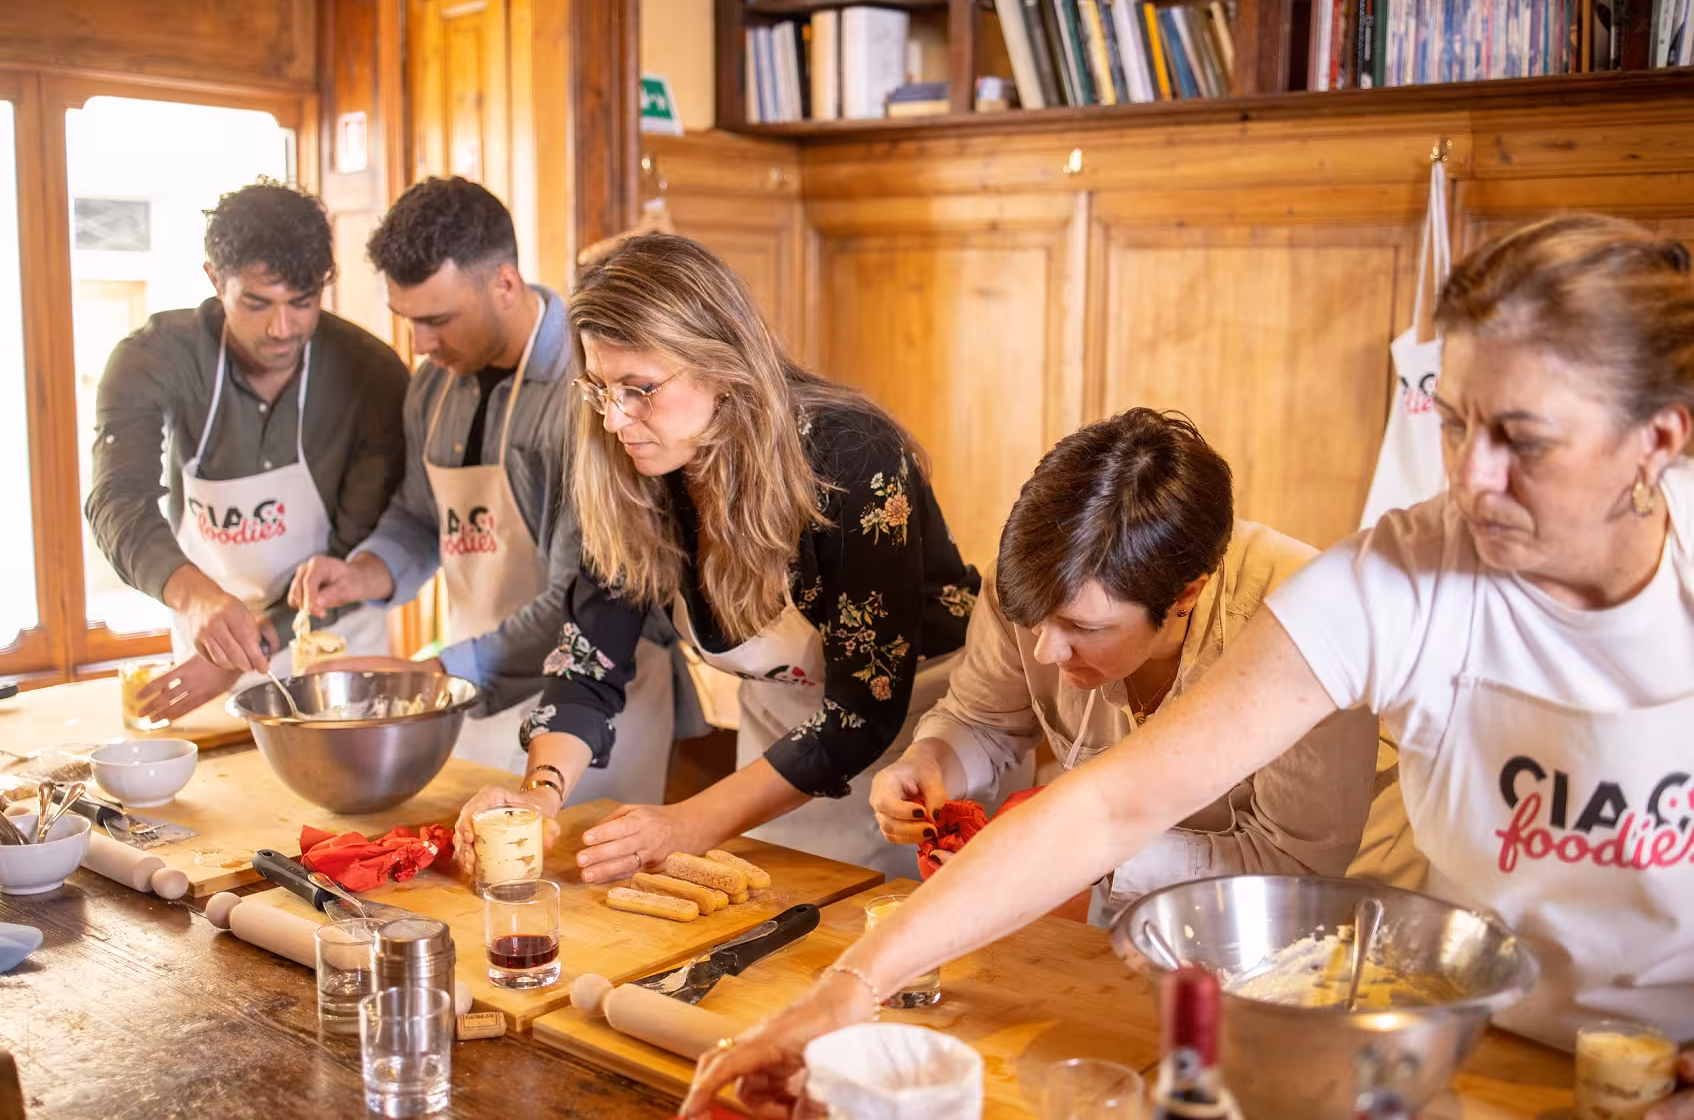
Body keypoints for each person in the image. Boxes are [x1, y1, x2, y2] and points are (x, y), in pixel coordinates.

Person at [684, 212, 1694, 1118]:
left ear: (1658, 437)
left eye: (1520, 439)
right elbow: (1103, 807)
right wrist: (851, 985)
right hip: (1465, 1037)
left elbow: (1285, 857)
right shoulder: (1396, 577)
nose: (1471, 478)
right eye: (1458, 423)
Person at [453, 233, 982, 882]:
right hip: (780, 751)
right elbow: (590, 660)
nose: (616, 420)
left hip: (923, 741)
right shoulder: (641, 471)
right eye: (600, 389)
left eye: (640, 388)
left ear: (720, 365)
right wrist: (539, 796)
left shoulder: (850, 459)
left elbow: (860, 714)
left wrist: (689, 821)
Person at [871, 409, 1383, 923]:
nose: (1047, 652)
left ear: (1186, 595)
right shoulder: (1027, 591)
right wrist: (930, 765)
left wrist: (1089, 840)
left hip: (1314, 924)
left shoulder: (1309, 629)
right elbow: (982, 719)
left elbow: (1291, 869)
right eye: (1034, 622)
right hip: (1130, 901)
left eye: (1084, 629)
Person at [290, 177, 676, 786]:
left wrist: (427, 672)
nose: (420, 344)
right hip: (470, 685)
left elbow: (583, 598)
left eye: (438, 320)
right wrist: (366, 570)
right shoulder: (434, 385)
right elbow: (420, 515)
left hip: (593, 701)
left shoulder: (592, 394)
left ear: (504, 284)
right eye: (408, 320)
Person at [85, 180, 409, 722]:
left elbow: (361, 553)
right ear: (215, 280)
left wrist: (259, 643)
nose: (282, 328)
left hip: (334, 651)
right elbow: (117, 502)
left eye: (302, 303)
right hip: (206, 642)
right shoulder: (151, 359)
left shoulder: (370, 375)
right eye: (257, 303)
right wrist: (199, 600)